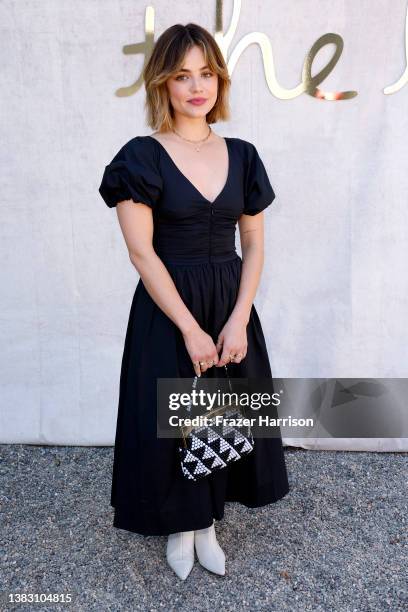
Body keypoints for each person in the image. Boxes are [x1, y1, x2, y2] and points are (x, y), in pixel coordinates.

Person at [99, 22, 290, 580]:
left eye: (206, 72)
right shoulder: (141, 156)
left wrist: (238, 320)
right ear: (163, 83)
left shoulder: (244, 154)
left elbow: (252, 242)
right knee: (170, 418)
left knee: (222, 413)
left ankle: (207, 522)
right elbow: (141, 254)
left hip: (230, 300)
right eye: (182, 75)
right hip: (169, 307)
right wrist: (188, 327)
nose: (196, 86)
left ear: (219, 79)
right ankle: (182, 528)